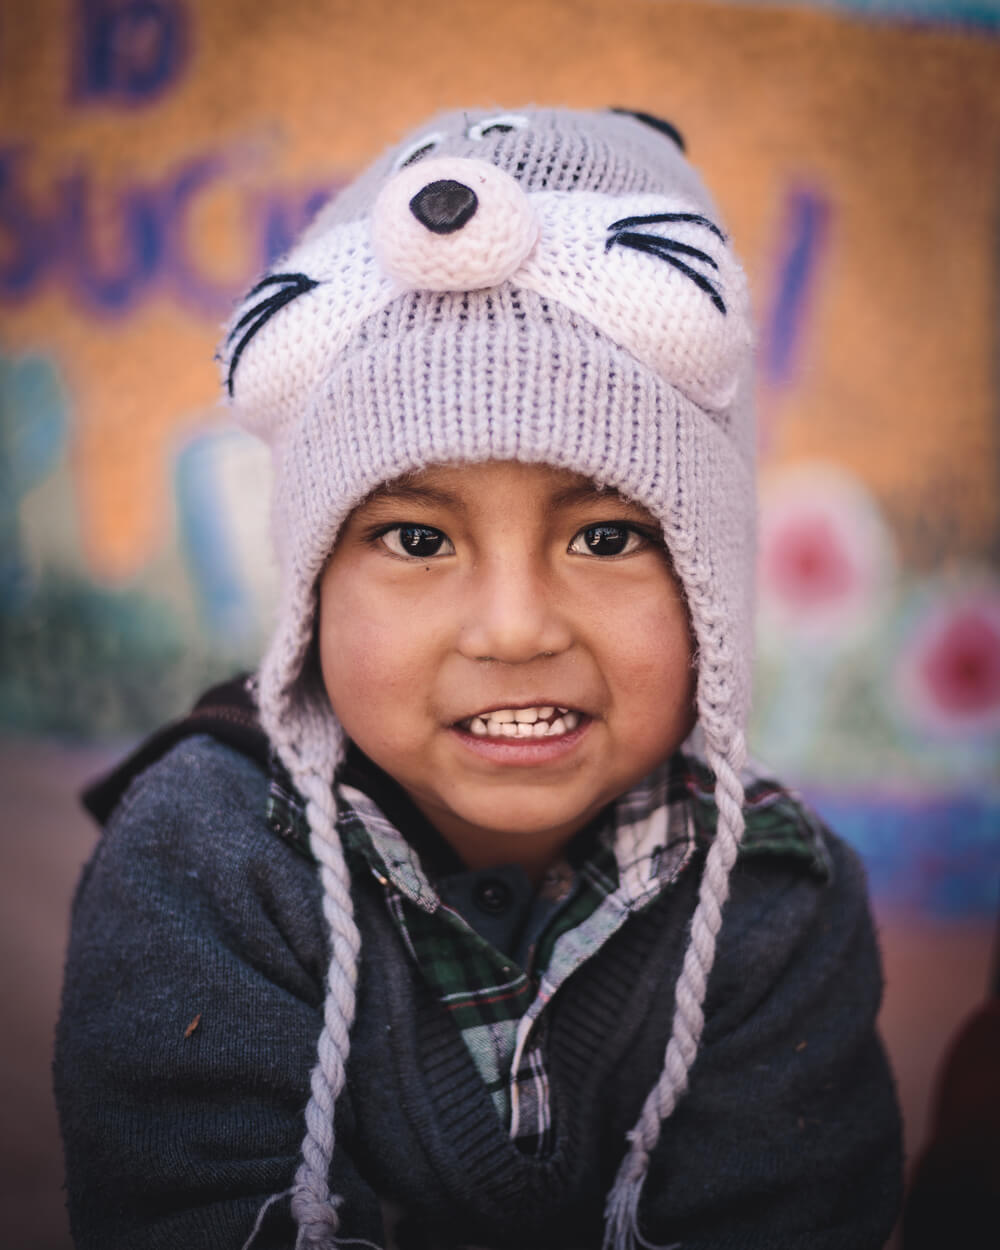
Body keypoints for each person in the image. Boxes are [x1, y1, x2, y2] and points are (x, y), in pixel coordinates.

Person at [54, 107, 903, 1250]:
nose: (511, 628)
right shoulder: (205, 857)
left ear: (710, 572)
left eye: (606, 537)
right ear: (309, 586)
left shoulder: (775, 902)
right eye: (415, 538)